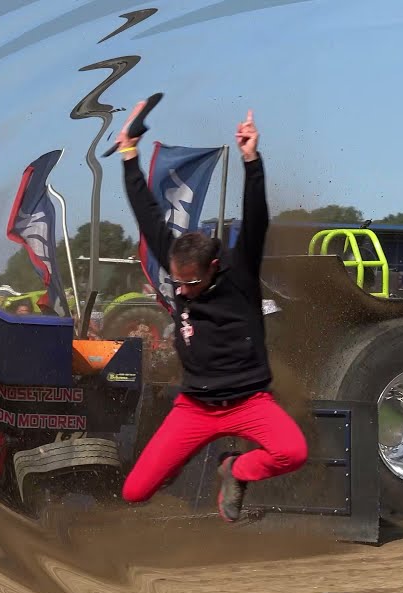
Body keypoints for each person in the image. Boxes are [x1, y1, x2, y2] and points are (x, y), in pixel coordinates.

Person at [114, 100, 308, 522]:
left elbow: (257, 217)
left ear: (214, 267)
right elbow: (147, 213)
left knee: (294, 452)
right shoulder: (177, 260)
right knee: (134, 492)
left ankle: (235, 469)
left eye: (190, 284)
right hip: (194, 408)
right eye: (177, 282)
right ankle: (183, 459)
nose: (181, 290)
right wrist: (129, 155)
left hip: (250, 402)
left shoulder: (240, 271)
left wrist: (251, 160)